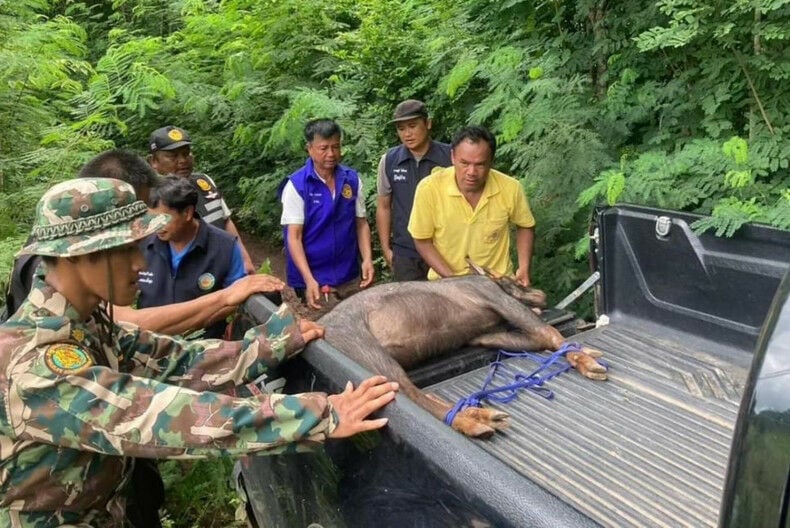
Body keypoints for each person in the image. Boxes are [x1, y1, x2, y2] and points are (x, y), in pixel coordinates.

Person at [0, 177, 398, 527]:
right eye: (129, 249)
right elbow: (161, 417)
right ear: (81, 255)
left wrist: (274, 342)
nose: (141, 262)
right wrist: (322, 414)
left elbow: (177, 361)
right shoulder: (38, 363)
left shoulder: (86, 324)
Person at [408, 125, 536, 285]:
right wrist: (454, 281)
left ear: (491, 162)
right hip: (445, 284)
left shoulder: (511, 188)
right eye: (464, 163)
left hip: (498, 284)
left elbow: (525, 225)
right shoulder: (429, 188)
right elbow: (422, 240)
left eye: (480, 164)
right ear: (453, 157)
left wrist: (524, 267)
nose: (471, 172)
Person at [280, 119, 374, 309]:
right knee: (325, 331)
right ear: (310, 148)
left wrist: (368, 259)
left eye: (336, 147)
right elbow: (294, 237)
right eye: (323, 148)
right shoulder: (297, 186)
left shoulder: (352, 180)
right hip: (314, 277)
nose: (331, 154)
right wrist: (308, 279)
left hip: (349, 273)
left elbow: (361, 224)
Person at [137, 177, 247, 339]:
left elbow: (237, 298)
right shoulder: (143, 244)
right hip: (148, 348)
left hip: (203, 351)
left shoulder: (225, 247)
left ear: (188, 212)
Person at [147, 125, 256, 274]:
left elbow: (225, 220)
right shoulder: (149, 197)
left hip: (225, 265)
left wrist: (244, 259)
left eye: (186, 154)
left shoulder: (204, 182)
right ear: (153, 161)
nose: (182, 160)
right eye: (173, 156)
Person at [376, 100, 451, 281]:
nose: (407, 134)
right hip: (405, 252)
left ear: (428, 123)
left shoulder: (450, 157)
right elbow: (384, 206)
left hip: (444, 248)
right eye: (401, 129)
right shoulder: (389, 160)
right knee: (409, 307)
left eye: (412, 126)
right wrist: (386, 249)